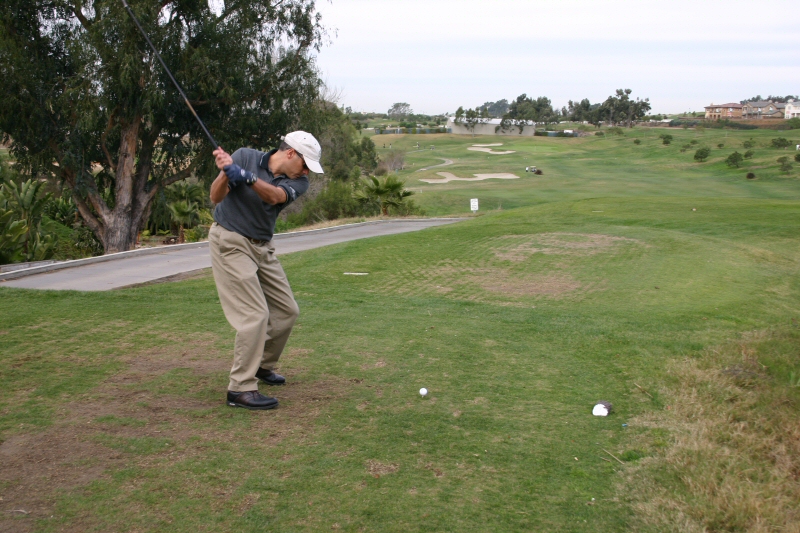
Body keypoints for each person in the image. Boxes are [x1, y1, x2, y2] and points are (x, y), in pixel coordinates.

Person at [208, 131, 324, 410]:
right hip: (231, 241)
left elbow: (274, 196)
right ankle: (240, 388)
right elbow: (215, 196)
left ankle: (261, 364)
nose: (307, 172)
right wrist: (226, 172)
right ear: (291, 153)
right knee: (254, 314)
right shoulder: (244, 156)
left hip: (262, 246)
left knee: (287, 310)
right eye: (305, 164)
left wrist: (246, 177)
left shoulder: (299, 182)